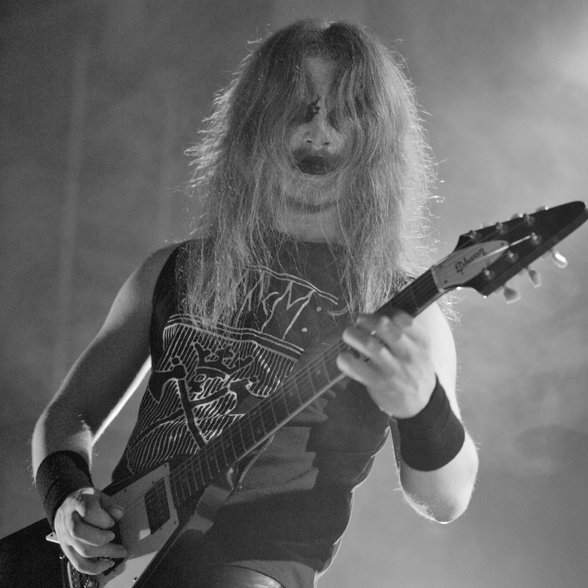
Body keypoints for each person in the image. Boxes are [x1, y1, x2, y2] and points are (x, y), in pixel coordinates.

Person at [31, 19, 478, 588]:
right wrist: (68, 499)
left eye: (345, 111)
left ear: (376, 139)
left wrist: (421, 405)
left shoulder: (398, 308)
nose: (318, 131)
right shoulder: (172, 270)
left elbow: (447, 497)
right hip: (125, 559)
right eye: (297, 107)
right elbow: (69, 414)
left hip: (256, 564)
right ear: (255, 124)